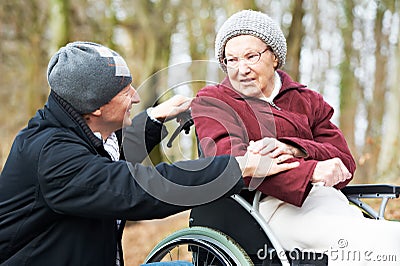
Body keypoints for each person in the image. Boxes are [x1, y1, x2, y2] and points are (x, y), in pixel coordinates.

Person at [0, 41, 299, 266]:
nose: (137, 97)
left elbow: (111, 152)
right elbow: (138, 187)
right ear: (95, 107)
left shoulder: (78, 131)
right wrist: (238, 167)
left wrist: (157, 117)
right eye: (125, 92)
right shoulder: (52, 157)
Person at [191, 10, 400, 265]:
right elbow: (230, 160)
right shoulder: (214, 101)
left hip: (327, 201)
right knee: (374, 248)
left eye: (251, 57)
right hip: (261, 210)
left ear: (275, 57)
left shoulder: (306, 100)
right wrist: (311, 170)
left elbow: (343, 159)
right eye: (231, 60)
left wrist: (294, 148)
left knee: (392, 237)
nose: (240, 69)